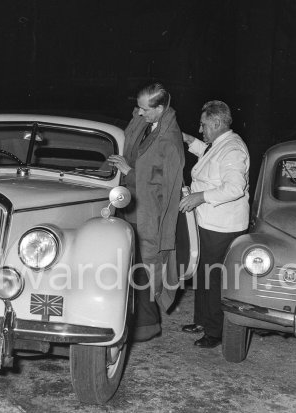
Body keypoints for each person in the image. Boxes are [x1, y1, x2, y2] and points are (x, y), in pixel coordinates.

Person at [108, 83, 185, 342]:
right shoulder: (148, 124)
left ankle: (147, 325)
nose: (139, 114)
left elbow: (167, 185)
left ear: (160, 108)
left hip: (150, 215)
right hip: (134, 208)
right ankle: (138, 321)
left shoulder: (170, 138)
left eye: (144, 109)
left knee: (146, 267)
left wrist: (130, 172)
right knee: (132, 264)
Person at [179, 100, 250, 348]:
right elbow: (210, 157)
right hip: (208, 221)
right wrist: (189, 141)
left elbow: (234, 188)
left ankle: (215, 331)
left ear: (217, 123)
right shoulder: (220, 144)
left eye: (203, 125)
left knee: (214, 278)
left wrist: (200, 196)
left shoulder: (233, 149)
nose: (201, 130)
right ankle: (202, 320)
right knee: (202, 273)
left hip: (222, 227)